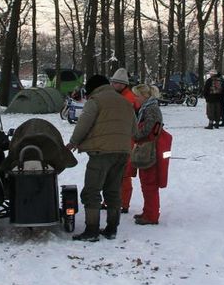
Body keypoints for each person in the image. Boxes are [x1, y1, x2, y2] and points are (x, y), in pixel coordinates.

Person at [66, 74, 136, 241]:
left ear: (93, 88)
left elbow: (84, 123)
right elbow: (134, 130)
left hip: (101, 152)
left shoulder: (95, 100)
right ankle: (112, 229)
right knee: (113, 191)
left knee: (91, 191)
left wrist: (73, 142)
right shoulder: (125, 102)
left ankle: (92, 231)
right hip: (123, 153)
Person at [131, 84, 164, 225]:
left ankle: (151, 216)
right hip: (147, 149)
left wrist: (133, 134)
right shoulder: (148, 108)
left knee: (149, 184)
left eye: (137, 96)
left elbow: (146, 131)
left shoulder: (151, 109)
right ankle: (148, 211)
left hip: (149, 150)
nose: (135, 98)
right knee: (146, 183)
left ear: (144, 96)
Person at [110, 67, 141, 214]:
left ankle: (124, 203)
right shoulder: (120, 95)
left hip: (126, 140)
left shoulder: (128, 99)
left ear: (123, 84)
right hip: (117, 138)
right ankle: (112, 201)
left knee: (124, 173)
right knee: (112, 172)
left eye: (115, 83)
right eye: (112, 82)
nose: (113, 85)